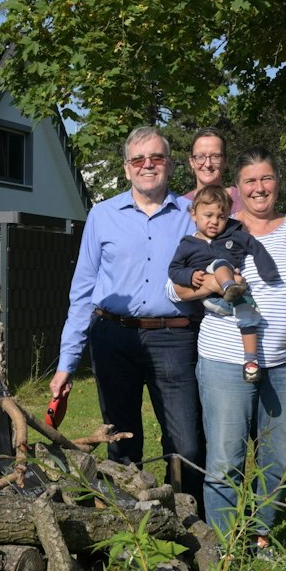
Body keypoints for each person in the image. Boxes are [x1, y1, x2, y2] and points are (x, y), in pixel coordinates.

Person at [174, 149, 286, 544]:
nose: (259, 188)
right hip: (225, 361)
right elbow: (174, 288)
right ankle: (225, 551)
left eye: (266, 179)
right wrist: (214, 283)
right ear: (237, 188)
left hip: (283, 363)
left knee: (278, 457)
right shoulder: (218, 227)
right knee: (226, 460)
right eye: (250, 181)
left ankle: (259, 537)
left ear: (277, 181)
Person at [51, 126, 203, 499]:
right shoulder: (102, 216)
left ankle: (187, 524)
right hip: (114, 338)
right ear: (126, 168)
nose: (147, 165)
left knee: (186, 442)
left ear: (169, 164)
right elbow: (82, 293)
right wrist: (67, 362)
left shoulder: (193, 216)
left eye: (156, 158)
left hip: (175, 337)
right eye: (138, 159)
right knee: (120, 440)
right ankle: (129, 528)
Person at [170, 184, 263, 380]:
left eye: (221, 217)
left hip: (234, 300)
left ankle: (250, 361)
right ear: (193, 214)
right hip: (212, 299)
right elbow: (174, 270)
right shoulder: (188, 244)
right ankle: (229, 287)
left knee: (248, 314)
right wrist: (190, 275)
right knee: (220, 263)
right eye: (208, 216)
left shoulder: (229, 238)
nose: (215, 222)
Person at [183, 126, 244, 215]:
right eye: (200, 157)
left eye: (215, 157)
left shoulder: (242, 200)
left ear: (225, 161)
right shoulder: (181, 206)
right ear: (191, 161)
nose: (208, 164)